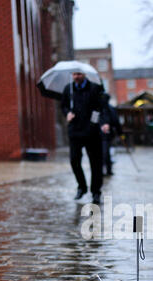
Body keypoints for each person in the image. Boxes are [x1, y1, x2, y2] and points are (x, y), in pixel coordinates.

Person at [61, 71, 110, 203]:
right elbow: (63, 106)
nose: (76, 76)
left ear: (84, 74)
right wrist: (67, 113)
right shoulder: (68, 89)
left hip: (92, 132)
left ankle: (96, 192)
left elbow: (101, 108)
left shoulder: (95, 88)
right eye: (74, 74)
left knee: (96, 163)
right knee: (74, 161)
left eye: (79, 74)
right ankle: (81, 187)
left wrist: (102, 123)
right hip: (75, 131)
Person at [100, 93, 123, 176]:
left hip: (108, 135)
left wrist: (120, 133)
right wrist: (100, 125)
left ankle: (108, 169)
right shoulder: (97, 109)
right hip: (98, 135)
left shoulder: (111, 109)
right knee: (103, 152)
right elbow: (93, 121)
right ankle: (103, 169)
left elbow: (116, 122)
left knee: (105, 152)